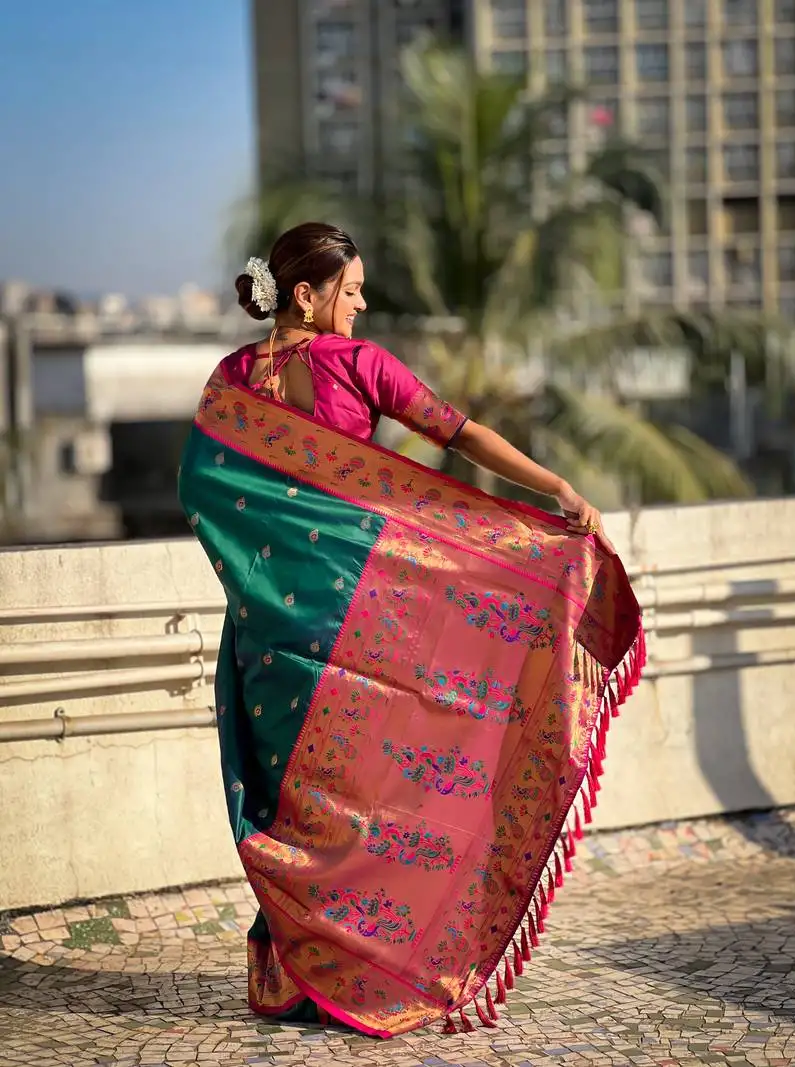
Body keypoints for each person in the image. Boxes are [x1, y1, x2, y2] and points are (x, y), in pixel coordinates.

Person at [179, 222, 644, 1039]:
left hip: (268, 632)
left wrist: (266, 575)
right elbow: (461, 436)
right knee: (365, 796)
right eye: (350, 290)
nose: (360, 305)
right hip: (359, 617)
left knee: (298, 801)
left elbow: (202, 487)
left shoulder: (229, 382)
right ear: (306, 295)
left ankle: (294, 974)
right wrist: (558, 490)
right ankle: (360, 971)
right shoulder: (359, 365)